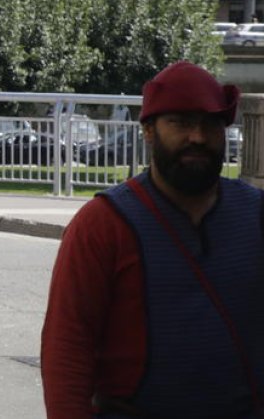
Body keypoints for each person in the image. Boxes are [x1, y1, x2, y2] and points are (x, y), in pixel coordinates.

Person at [41, 61, 264, 418]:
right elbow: (67, 347)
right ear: (148, 131)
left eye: (210, 124)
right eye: (180, 123)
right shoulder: (103, 224)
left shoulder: (256, 213)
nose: (197, 137)